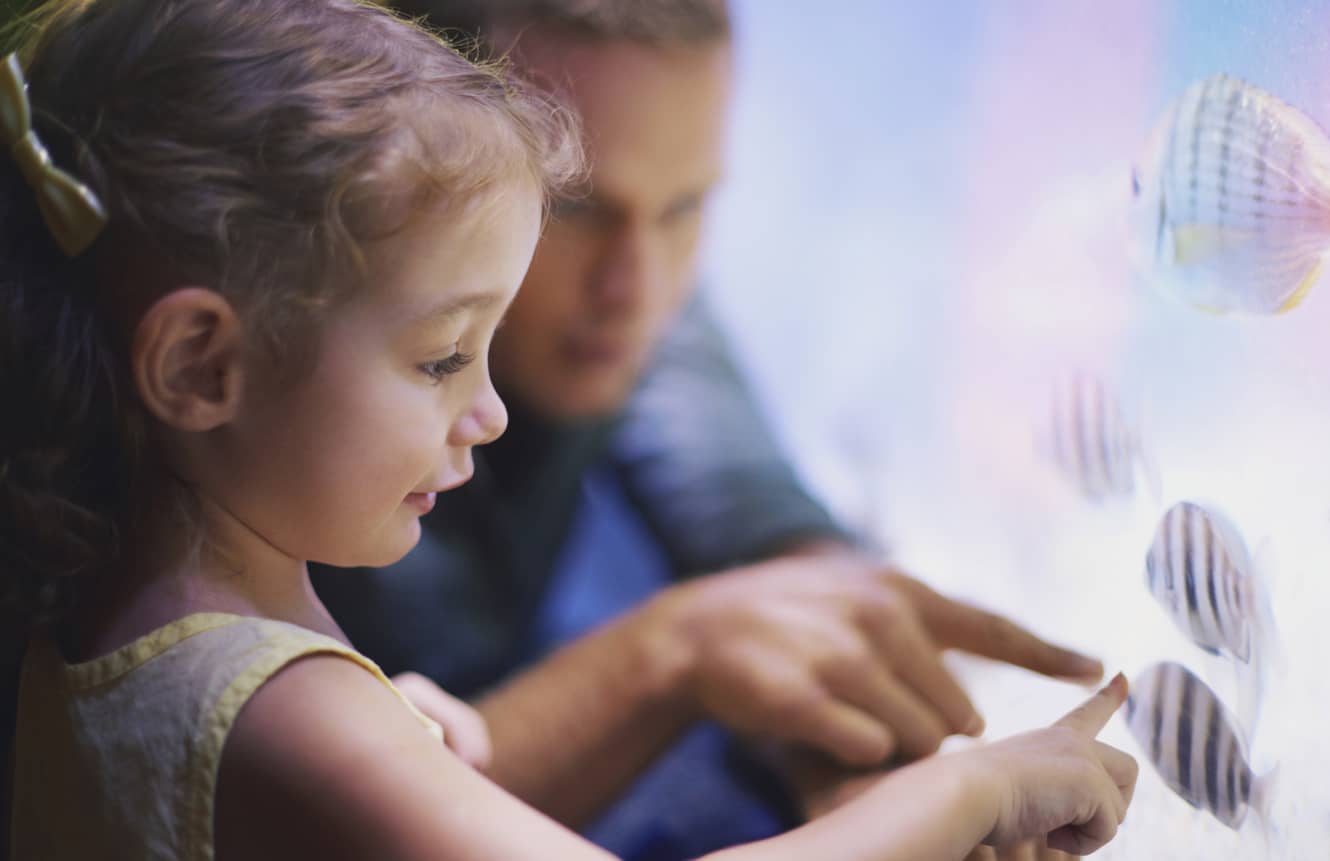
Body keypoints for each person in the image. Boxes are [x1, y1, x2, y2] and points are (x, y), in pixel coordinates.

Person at [0, 2, 1141, 858]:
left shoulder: (104, 608)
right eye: (442, 356)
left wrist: (430, 745)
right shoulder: (279, 709)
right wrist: (967, 793)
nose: (487, 411)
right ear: (203, 365)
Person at [312, 2, 1108, 858]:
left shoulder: (625, 307)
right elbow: (317, 823)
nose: (637, 287)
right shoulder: (306, 403)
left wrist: (867, 762)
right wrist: (674, 654)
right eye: (574, 209)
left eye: (683, 208)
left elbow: (770, 532)